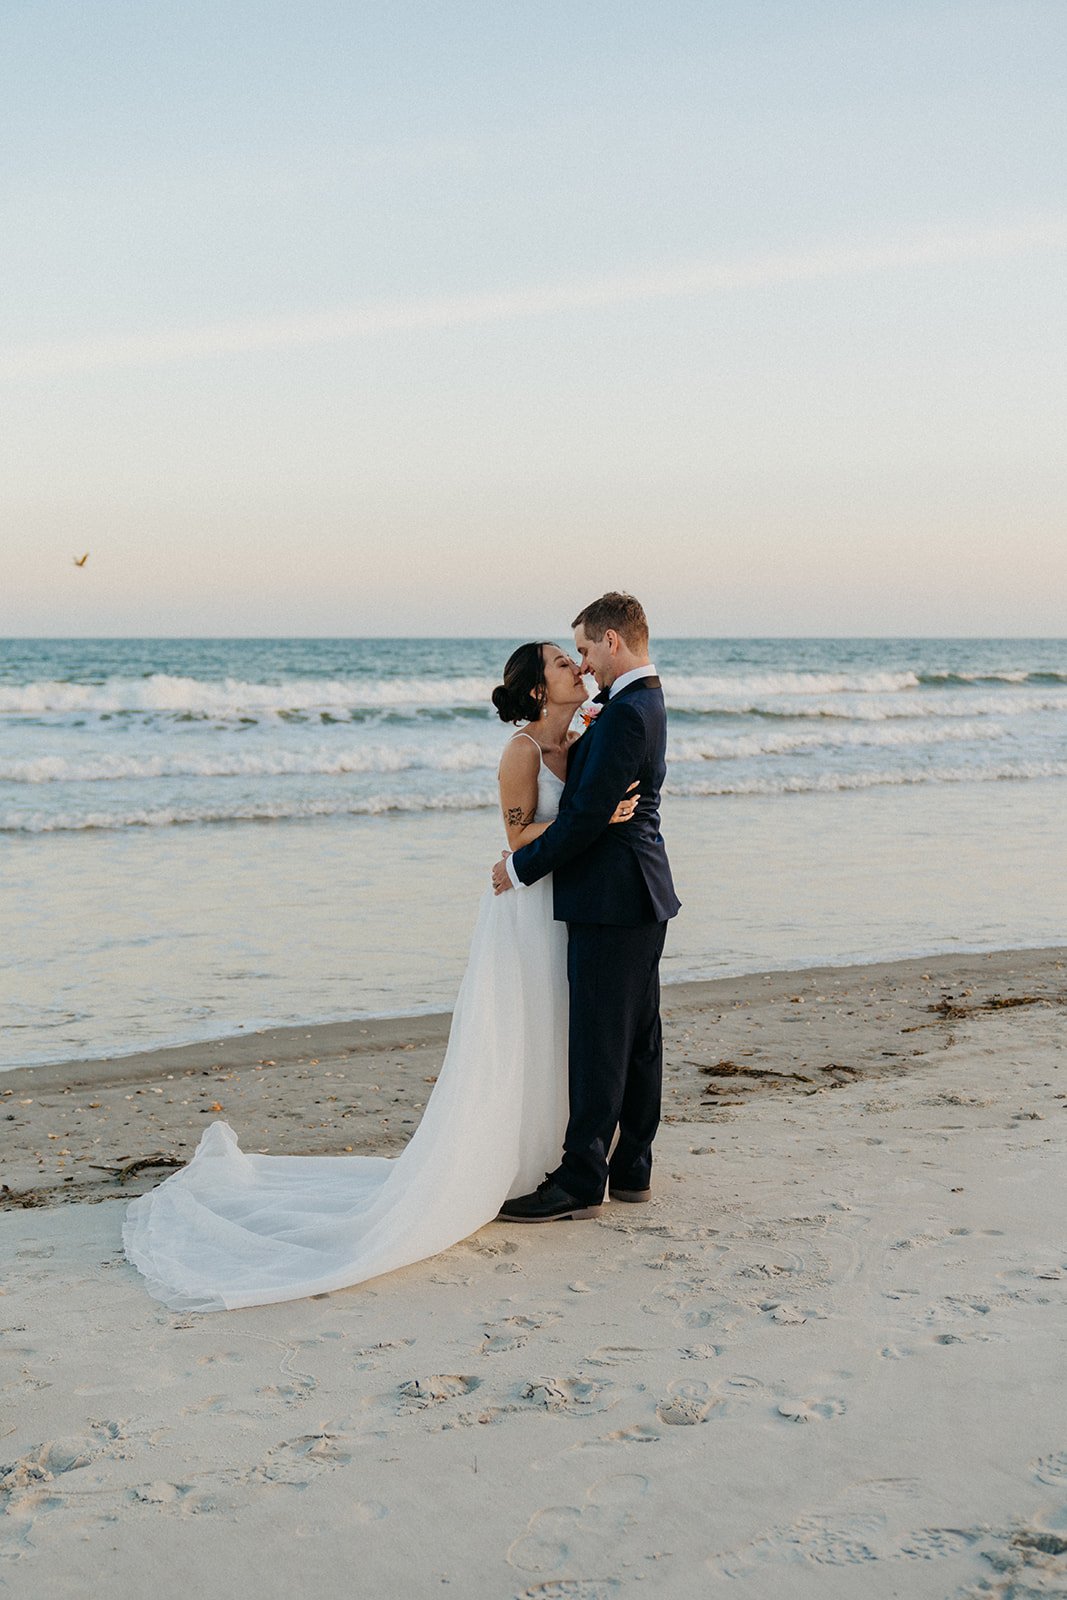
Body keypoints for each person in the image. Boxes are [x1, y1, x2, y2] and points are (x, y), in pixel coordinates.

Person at [122, 641, 638, 1312]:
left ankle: (553, 1158)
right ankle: (500, 1164)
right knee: (519, 1028)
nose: (577, 668)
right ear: (538, 690)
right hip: (524, 904)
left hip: (566, 900)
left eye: (576, 659)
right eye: (561, 664)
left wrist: (595, 803)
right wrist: (591, 817)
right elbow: (515, 839)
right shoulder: (521, 752)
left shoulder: (582, 738)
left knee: (557, 1027)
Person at [492, 592, 680, 1222]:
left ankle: (580, 1179)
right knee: (636, 1040)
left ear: (612, 642)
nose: (582, 663)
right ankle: (632, 1169)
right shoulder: (631, 702)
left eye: (583, 649)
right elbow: (587, 806)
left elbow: (581, 819)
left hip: (612, 894)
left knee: (604, 1043)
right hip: (636, 892)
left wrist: (517, 868)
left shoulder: (627, 710)